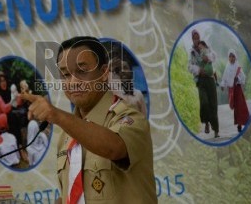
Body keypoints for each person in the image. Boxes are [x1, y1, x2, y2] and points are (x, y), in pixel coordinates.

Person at [21, 36, 157, 204]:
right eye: (65, 75)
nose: (73, 82)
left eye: (82, 71)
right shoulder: (66, 134)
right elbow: (75, 194)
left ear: (104, 73)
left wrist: (57, 115)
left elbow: (113, 148)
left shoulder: (131, 117)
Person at [188, 29, 219, 138]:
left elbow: (214, 55)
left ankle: (216, 130)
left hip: (210, 79)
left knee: (213, 104)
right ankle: (206, 123)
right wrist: (198, 70)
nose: (196, 40)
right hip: (200, 81)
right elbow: (190, 67)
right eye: (194, 38)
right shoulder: (191, 52)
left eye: (197, 37)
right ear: (192, 39)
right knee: (204, 102)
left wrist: (208, 58)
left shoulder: (205, 45)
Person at [106, 43, 148, 116]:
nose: (123, 71)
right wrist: (110, 67)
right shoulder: (112, 91)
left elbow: (144, 119)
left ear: (131, 70)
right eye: (119, 69)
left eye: (125, 67)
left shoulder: (138, 94)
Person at [219, 49, 250, 132]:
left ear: (235, 57)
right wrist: (222, 85)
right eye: (230, 56)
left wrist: (238, 78)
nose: (231, 58)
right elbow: (224, 78)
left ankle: (240, 124)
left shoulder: (238, 67)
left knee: (240, 106)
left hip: (237, 89)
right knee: (234, 106)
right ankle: (238, 122)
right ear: (228, 58)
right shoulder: (227, 67)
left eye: (233, 56)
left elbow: (243, 77)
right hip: (231, 90)